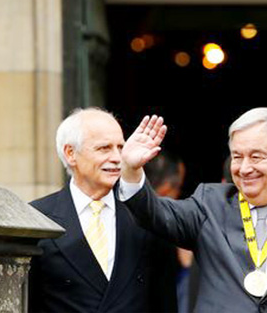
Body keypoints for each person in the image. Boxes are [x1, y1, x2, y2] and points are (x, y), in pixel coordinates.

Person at [119, 107, 267, 312]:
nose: (244, 168)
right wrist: (130, 170)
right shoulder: (209, 204)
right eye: (237, 157)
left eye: (256, 157)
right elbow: (153, 213)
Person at [28, 108, 177, 313]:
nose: (117, 157)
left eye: (120, 147)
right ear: (71, 153)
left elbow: (165, 299)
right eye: (104, 148)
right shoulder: (37, 218)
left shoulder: (146, 215)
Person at [145, 153, 195, 313]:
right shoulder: (165, 231)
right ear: (166, 189)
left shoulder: (116, 215)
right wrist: (189, 267)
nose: (179, 195)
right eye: (179, 187)